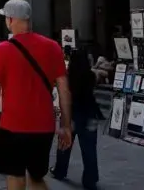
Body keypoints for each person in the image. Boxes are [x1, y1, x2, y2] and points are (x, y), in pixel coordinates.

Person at [0, 0, 72, 190]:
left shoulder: (1, 50)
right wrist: (66, 126)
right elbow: (64, 90)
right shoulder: (53, 47)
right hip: (44, 126)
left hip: (12, 126)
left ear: (10, 20)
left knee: (15, 178)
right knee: (37, 177)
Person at [50, 48, 100, 189]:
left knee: (64, 145)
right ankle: (90, 179)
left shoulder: (67, 77)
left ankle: (60, 170)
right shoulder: (91, 76)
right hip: (90, 115)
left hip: (72, 114)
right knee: (89, 150)